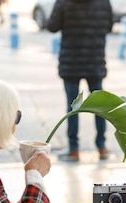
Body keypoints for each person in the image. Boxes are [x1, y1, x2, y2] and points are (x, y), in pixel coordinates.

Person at [46, 0, 114, 162]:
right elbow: (109, 26)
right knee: (99, 106)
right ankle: (102, 147)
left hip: (71, 62)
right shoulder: (104, 2)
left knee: (72, 106)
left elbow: (52, 26)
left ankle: (74, 149)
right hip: (95, 61)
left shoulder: (64, 2)